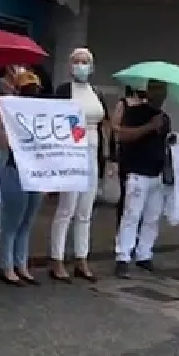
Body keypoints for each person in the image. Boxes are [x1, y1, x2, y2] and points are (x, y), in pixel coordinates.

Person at [50, 47, 115, 283]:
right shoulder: (63, 91)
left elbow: (105, 125)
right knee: (66, 207)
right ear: (70, 66)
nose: (80, 66)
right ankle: (56, 259)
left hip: (92, 151)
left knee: (85, 210)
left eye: (85, 62)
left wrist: (109, 156)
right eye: (76, 62)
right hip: (71, 153)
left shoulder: (95, 91)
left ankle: (81, 258)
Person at [114, 80, 170, 279]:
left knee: (152, 217)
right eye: (155, 89)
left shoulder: (164, 118)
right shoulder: (135, 112)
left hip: (157, 174)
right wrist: (148, 127)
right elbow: (122, 136)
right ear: (148, 91)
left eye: (163, 90)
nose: (159, 94)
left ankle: (144, 254)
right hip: (137, 171)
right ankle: (123, 256)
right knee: (131, 215)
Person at [0, 71, 45, 286]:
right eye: (27, 89)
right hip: (14, 169)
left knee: (27, 221)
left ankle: (21, 264)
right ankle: (7, 266)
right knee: (12, 221)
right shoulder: (7, 111)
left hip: (37, 171)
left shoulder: (43, 115)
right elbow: (2, 141)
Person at [111, 86, 147, 229]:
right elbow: (114, 126)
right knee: (127, 192)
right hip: (127, 151)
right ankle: (121, 228)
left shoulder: (149, 106)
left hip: (144, 152)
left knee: (142, 193)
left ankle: (138, 228)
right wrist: (131, 132)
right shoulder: (124, 103)